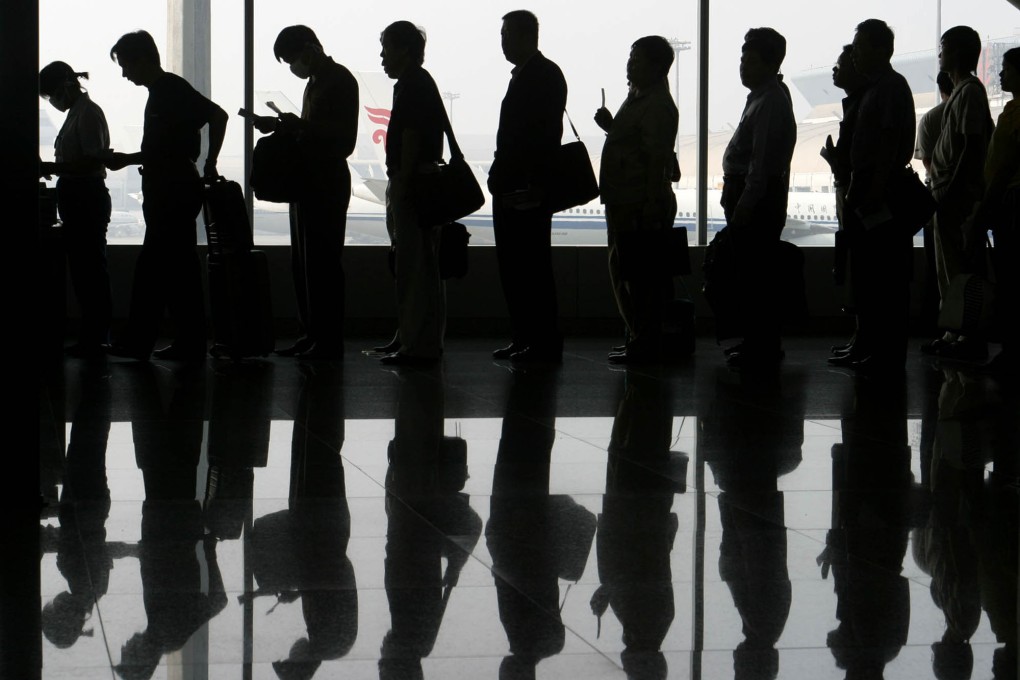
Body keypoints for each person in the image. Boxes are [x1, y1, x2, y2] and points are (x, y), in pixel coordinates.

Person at [105, 30, 228, 362]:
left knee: (156, 267)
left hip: (172, 190)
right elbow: (163, 150)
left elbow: (218, 115)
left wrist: (210, 162)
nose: (124, 73)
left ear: (142, 60)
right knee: (177, 268)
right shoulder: (161, 92)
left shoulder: (170, 89)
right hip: (171, 186)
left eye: (126, 65)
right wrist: (130, 160)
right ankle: (185, 341)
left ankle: (144, 340)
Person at [256, 26, 358, 360]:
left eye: (292, 60)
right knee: (304, 263)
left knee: (324, 263)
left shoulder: (340, 80)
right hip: (308, 181)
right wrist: (283, 126)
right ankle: (311, 333)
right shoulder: (315, 83)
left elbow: (343, 139)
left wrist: (298, 126)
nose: (293, 68)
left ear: (310, 49)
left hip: (326, 182)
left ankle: (327, 340)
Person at [488, 10, 568, 363]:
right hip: (514, 187)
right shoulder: (531, 75)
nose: (501, 41)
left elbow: (541, 138)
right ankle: (525, 337)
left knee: (530, 267)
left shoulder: (542, 75)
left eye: (505, 34)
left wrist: (533, 184)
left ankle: (540, 340)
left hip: (525, 190)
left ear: (524, 36)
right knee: (516, 266)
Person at [594, 36, 679, 364]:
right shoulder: (637, 98)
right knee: (627, 274)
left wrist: (650, 204)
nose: (631, 65)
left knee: (641, 278)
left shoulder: (657, 104)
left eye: (638, 59)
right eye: (631, 58)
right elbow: (634, 144)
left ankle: (645, 341)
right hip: (622, 200)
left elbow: (656, 160)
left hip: (637, 203)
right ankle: (637, 337)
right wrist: (611, 128)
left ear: (658, 67)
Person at [838, 19, 916, 371]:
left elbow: (887, 145)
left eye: (860, 47)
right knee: (870, 277)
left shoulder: (890, 88)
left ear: (882, 50)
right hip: (869, 190)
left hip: (880, 194)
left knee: (884, 279)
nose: (854, 54)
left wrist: (874, 191)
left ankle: (884, 352)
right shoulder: (876, 88)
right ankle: (871, 345)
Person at [716, 27, 796, 367]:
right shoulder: (762, 97)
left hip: (756, 199)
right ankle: (755, 341)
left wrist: (745, 205)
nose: (742, 66)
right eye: (741, 59)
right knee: (749, 274)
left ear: (768, 62)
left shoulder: (770, 101)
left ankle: (761, 345)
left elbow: (761, 163)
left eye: (749, 59)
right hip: (748, 194)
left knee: (756, 275)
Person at [378, 21, 447, 365]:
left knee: (413, 267)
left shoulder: (412, 85)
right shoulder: (418, 82)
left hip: (413, 182)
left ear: (404, 50)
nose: (382, 58)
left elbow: (411, 135)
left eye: (386, 49)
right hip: (419, 181)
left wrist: (402, 181)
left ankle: (415, 343)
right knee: (420, 265)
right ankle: (413, 336)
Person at [926, 25, 995, 362]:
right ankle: (954, 330)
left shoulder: (968, 92)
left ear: (956, 52)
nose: (939, 54)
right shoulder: (961, 93)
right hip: (950, 194)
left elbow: (971, 147)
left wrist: (952, 193)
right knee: (949, 268)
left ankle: (967, 334)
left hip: (956, 195)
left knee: (959, 269)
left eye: (943, 47)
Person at [38, 61, 114, 359]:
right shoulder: (75, 114)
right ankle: (92, 337)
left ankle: (97, 338)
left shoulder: (87, 114)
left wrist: (52, 167)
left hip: (87, 197)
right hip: (77, 197)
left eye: (52, 94)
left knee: (91, 272)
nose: (53, 101)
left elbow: (93, 162)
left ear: (67, 86)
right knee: (85, 272)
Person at [970, 48, 1020, 376]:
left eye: (1006, 68)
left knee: (1012, 279)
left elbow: (1005, 167)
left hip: (1011, 204)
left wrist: (986, 208)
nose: (1000, 75)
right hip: (1005, 202)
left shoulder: (1017, 114)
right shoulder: (1011, 110)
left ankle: (1013, 354)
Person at [820, 45, 869, 364]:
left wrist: (838, 163)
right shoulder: (855, 102)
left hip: (859, 197)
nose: (835, 71)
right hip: (850, 191)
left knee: (862, 271)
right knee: (856, 272)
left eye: (840, 66)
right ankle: (859, 339)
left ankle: (865, 342)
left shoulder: (866, 102)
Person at [913, 71, 955, 334]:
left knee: (937, 268)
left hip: (937, 197)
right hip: (965, 199)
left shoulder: (930, 118)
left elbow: (927, 162)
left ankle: (938, 325)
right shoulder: (976, 113)